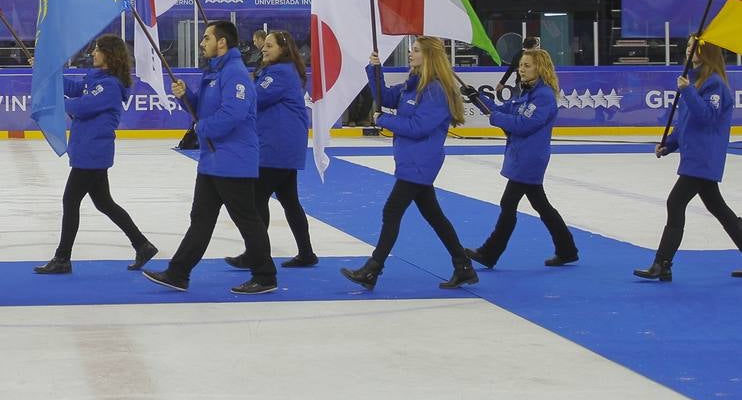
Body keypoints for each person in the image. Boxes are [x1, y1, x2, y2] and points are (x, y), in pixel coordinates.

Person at [143, 21, 278, 296]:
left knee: (246, 219)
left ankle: (265, 276)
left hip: (232, 159)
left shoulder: (235, 74)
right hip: (214, 159)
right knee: (201, 218)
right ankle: (178, 273)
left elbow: (233, 113)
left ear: (222, 42)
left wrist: (201, 129)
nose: (202, 43)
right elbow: (204, 110)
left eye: (206, 38)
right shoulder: (215, 73)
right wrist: (186, 98)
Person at [342, 38, 477, 291]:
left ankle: (373, 270)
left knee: (392, 211)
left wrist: (384, 121)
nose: (410, 54)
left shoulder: (436, 90)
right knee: (434, 215)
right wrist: (375, 69)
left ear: (429, 56)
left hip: (420, 161)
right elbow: (387, 98)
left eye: (415, 51)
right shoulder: (414, 85)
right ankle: (464, 266)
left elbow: (419, 127)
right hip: (412, 159)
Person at [34, 35, 156, 275]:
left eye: (97, 50)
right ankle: (142, 245)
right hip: (89, 151)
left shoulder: (109, 86)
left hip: (93, 153)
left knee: (71, 201)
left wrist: (57, 104)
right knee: (104, 203)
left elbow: (83, 107)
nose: (93, 53)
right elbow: (73, 88)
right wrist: (47, 73)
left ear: (109, 55)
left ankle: (62, 258)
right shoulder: (96, 79)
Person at [635, 39, 742, 281]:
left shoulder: (714, 84)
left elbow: (706, 117)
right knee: (719, 209)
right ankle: (663, 265)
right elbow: (686, 124)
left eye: (694, 46)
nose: (688, 50)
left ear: (707, 51)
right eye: (688, 46)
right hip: (695, 157)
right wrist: (669, 145)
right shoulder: (694, 81)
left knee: (675, 203)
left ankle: (662, 264)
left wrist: (688, 91)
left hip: (703, 158)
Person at [463, 49, 578, 269]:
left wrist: (496, 117)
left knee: (509, 203)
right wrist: (477, 98)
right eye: (521, 65)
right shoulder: (525, 94)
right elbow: (499, 110)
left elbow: (525, 125)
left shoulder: (543, 96)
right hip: (522, 156)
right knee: (541, 205)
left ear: (539, 68)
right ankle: (567, 249)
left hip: (530, 158)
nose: (521, 69)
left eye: (527, 65)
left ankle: (490, 252)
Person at [225, 30, 317, 270]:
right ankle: (306, 252)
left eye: (269, 45)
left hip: (276, 148)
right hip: (283, 147)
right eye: (263, 45)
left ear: (283, 50)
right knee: (289, 200)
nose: (263, 49)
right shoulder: (280, 71)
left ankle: (256, 254)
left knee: (255, 200)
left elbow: (254, 98)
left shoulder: (279, 73)